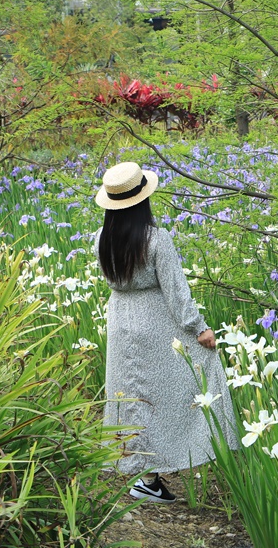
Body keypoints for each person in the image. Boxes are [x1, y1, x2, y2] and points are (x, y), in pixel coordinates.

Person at [94, 161, 238, 503]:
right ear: (143, 200)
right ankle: (153, 473)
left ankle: (143, 473)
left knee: (129, 394)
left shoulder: (100, 238)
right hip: (155, 321)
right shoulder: (156, 239)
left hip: (118, 320)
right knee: (168, 392)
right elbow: (176, 292)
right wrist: (199, 329)